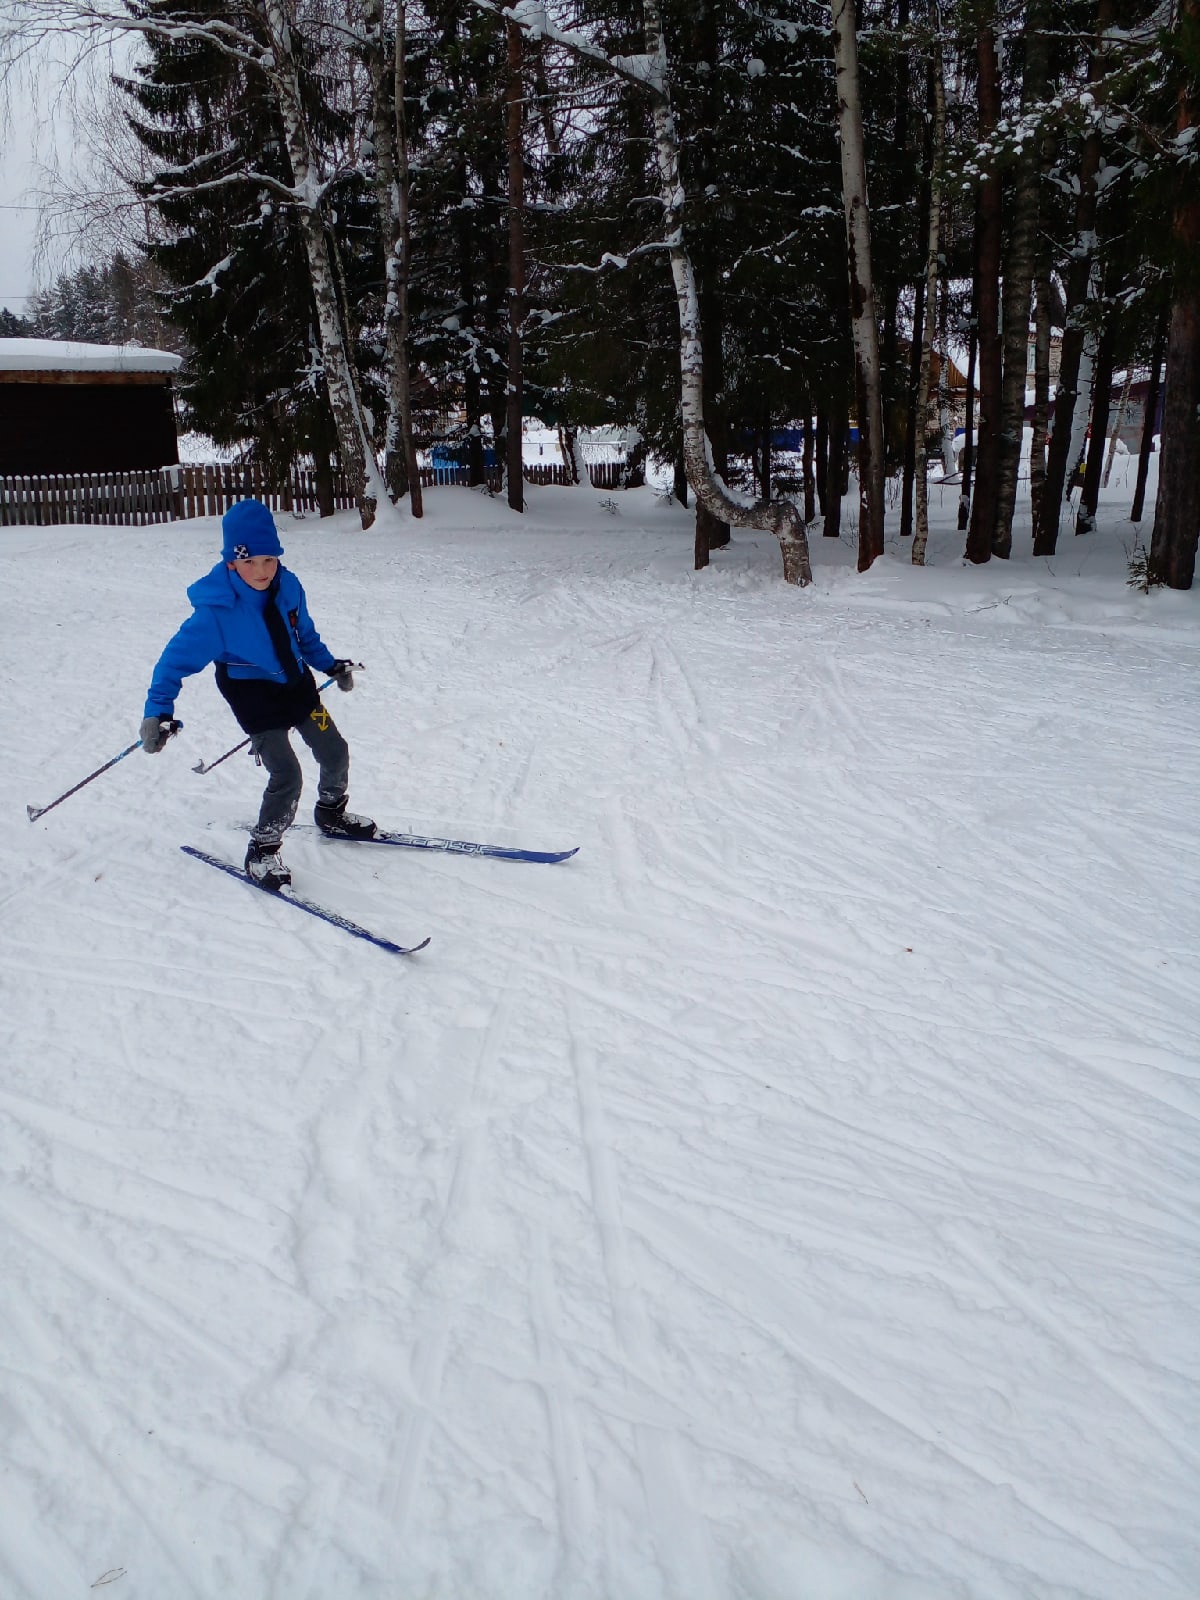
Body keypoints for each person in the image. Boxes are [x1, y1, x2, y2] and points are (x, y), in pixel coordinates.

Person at [141, 498, 376, 889]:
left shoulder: (290, 586)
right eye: (249, 561)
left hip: (297, 685)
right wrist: (157, 711)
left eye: (269, 559)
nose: (262, 570)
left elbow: (306, 637)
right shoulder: (215, 613)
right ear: (231, 562)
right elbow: (172, 663)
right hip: (254, 697)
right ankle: (263, 850)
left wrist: (330, 665)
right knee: (287, 773)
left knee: (334, 750)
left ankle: (331, 811)